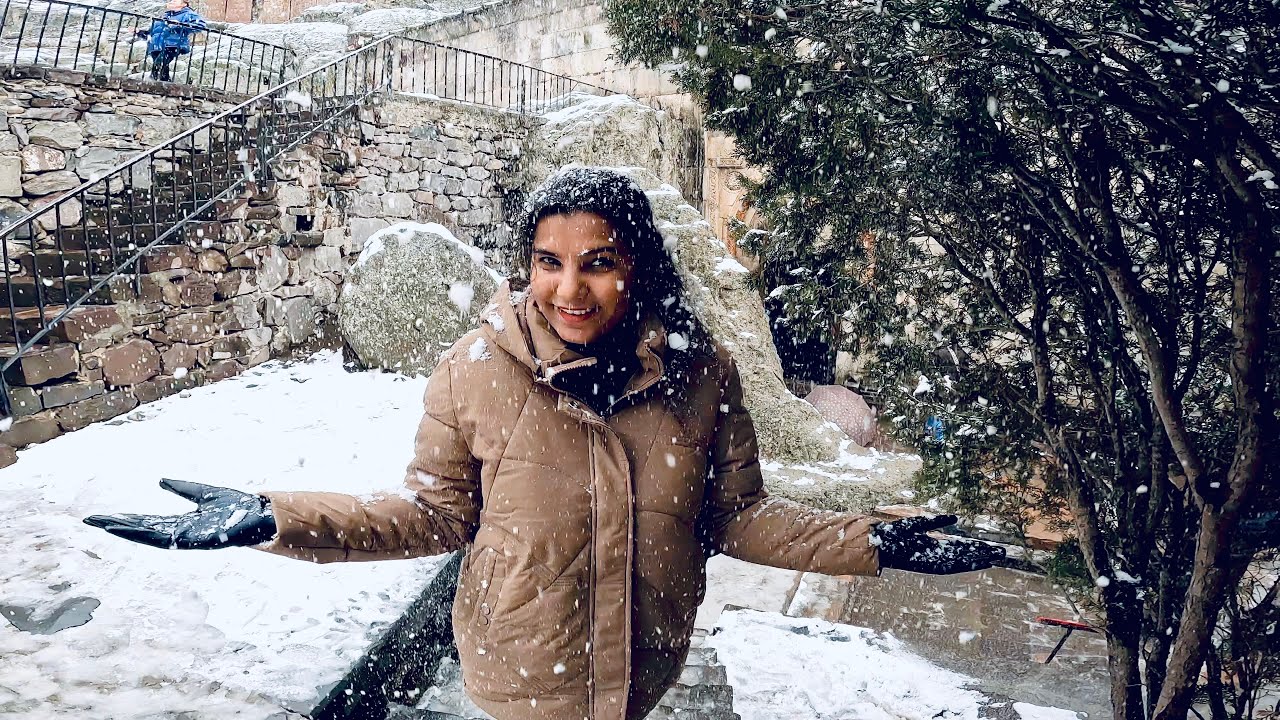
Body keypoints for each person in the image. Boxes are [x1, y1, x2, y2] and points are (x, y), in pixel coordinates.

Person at [84, 167, 1005, 720]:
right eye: (549, 262)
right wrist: (274, 518)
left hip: (643, 676)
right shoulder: (475, 371)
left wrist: (880, 543)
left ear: (635, 265)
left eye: (599, 262)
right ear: (526, 263)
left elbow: (739, 518)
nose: (571, 289)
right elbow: (433, 515)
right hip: (523, 683)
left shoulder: (702, 375)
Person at [135, 0, 206, 82]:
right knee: (163, 67)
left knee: (159, 64)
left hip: (173, 44)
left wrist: (179, 25)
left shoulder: (189, 14)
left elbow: (200, 25)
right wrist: (139, 32)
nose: (171, 1)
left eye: (175, 0)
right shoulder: (164, 16)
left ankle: (152, 82)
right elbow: (152, 32)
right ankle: (165, 84)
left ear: (184, 4)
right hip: (156, 46)